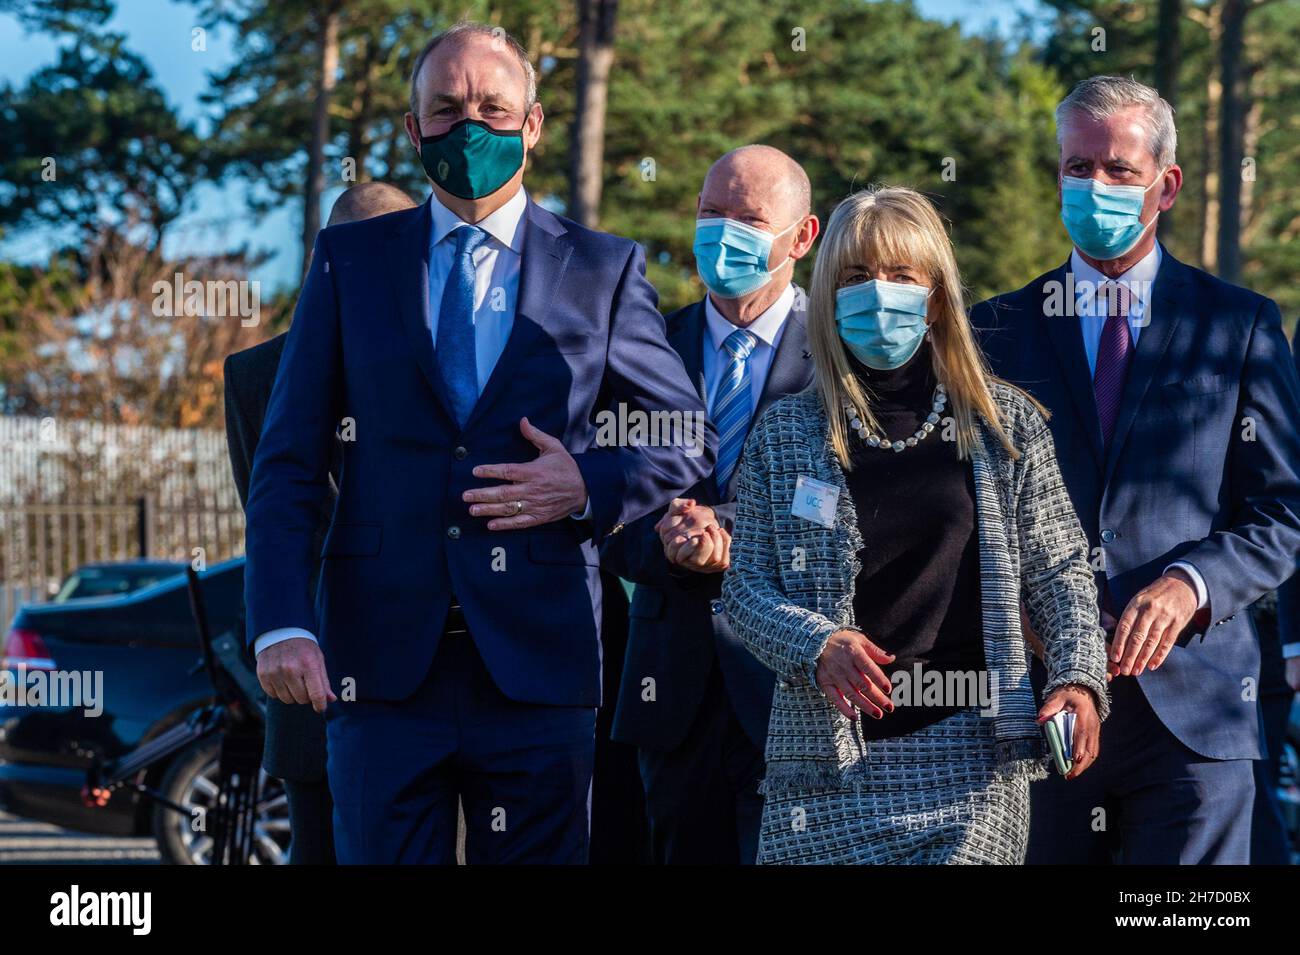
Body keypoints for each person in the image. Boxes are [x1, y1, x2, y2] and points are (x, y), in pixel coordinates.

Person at [242, 21, 714, 865]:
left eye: (494, 109)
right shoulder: (349, 260)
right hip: (381, 669)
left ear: (532, 125)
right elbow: (288, 461)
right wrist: (279, 620)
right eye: (447, 108)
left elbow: (684, 437)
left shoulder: (602, 267)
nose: (472, 128)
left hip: (541, 662)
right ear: (413, 129)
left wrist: (587, 483)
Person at [722, 185, 1109, 865]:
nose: (879, 294)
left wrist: (1077, 677)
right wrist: (818, 642)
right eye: (856, 277)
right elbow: (746, 588)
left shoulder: (1005, 425)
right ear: (828, 296)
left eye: (901, 275)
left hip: (973, 763)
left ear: (935, 295)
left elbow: (1060, 568)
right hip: (822, 772)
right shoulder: (784, 434)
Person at [971, 75, 1300, 864]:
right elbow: (964, 508)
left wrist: (1194, 582)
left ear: (1167, 184)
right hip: (1041, 709)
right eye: (1076, 167)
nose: (1094, 186)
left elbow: (1283, 514)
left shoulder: (1239, 323)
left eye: (1119, 169)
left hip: (1198, 712)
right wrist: (1028, 616)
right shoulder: (994, 330)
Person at [602, 145, 819, 864]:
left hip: (798, 693)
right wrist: (661, 540)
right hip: (674, 696)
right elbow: (605, 509)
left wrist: (730, 533)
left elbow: (854, 511)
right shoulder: (642, 351)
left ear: (802, 237)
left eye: (749, 218)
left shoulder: (844, 361)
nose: (724, 234)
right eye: (710, 213)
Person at [223, 181, 416, 865]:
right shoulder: (254, 374)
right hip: (315, 681)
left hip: (435, 682)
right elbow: (274, 515)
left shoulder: (453, 353)